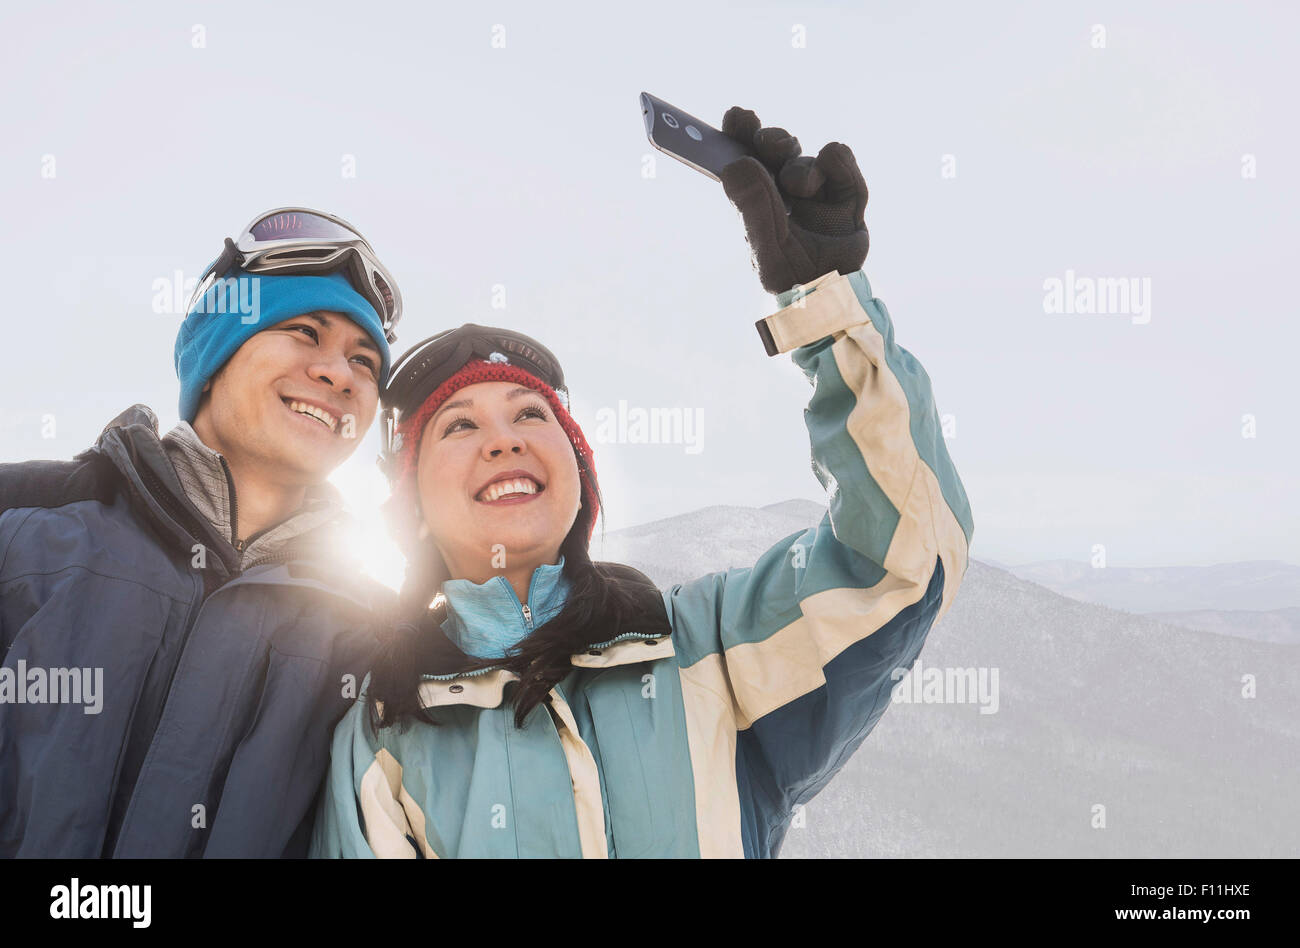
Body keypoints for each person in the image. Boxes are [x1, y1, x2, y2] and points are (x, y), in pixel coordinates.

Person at [310, 109, 974, 858]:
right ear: (412, 510)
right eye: (459, 426)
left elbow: (902, 557)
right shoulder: (387, 733)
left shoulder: (710, 648)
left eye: (531, 414)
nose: (504, 439)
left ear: (579, 476)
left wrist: (825, 303)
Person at [0, 207, 402, 857]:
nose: (339, 374)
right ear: (213, 353)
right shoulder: (23, 528)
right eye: (304, 330)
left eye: (365, 360)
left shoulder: (374, 640)